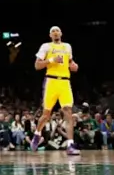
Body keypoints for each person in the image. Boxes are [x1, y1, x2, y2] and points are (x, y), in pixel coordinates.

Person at [30, 27, 80, 155]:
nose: (56, 32)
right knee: (46, 114)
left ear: (61, 33)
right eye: (53, 31)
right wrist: (52, 60)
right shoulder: (46, 46)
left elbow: (71, 63)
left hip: (65, 82)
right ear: (50, 35)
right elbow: (37, 65)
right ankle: (37, 134)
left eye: (57, 30)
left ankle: (70, 145)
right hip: (51, 82)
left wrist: (74, 66)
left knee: (68, 112)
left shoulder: (67, 47)